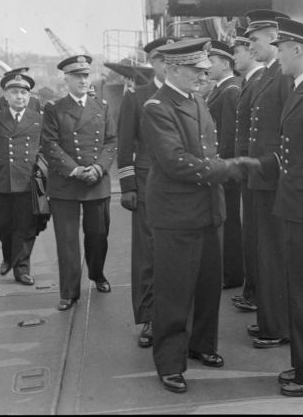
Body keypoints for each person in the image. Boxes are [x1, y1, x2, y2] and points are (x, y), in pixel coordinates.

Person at [141, 38, 245, 394]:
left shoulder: (196, 99)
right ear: (172, 69)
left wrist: (218, 170)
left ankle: (202, 344)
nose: (203, 76)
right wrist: (226, 169)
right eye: (195, 70)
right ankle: (170, 362)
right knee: (174, 291)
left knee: (207, 284)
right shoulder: (157, 107)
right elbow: (174, 161)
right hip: (177, 213)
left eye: (204, 70)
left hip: (208, 210)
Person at [249, 18, 303, 396]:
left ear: (298, 50)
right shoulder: (302, 90)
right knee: (299, 291)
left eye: (282, 48)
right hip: (295, 209)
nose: (278, 54)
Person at [117, 36, 180, 349]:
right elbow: (125, 144)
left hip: (180, 186)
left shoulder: (186, 93)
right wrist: (128, 186)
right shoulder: (137, 96)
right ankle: (150, 318)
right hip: (145, 182)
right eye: (160, 58)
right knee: (147, 253)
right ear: (153, 63)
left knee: (176, 251)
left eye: (172, 58)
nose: (167, 64)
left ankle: (177, 317)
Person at [41, 55, 117, 311]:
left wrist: (98, 168)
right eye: (77, 76)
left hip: (97, 181)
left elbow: (110, 141)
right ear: (67, 79)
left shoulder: (102, 106)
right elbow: (49, 144)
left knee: (98, 235)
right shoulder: (54, 108)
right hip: (66, 183)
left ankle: (97, 274)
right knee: (66, 241)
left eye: (86, 76)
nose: (83, 80)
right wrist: (75, 170)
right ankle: (69, 291)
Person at [244, 9, 293, 348]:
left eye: (255, 39)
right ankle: (269, 318)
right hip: (262, 178)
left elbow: (289, 132)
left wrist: (270, 165)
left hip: (274, 179)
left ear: (274, 37)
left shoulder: (284, 77)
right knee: (265, 253)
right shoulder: (265, 76)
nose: (251, 46)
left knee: (275, 255)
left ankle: (277, 326)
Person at [0, 72, 43, 285]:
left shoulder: (39, 119)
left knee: (26, 226)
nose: (19, 97)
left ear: (29, 96)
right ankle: (8, 255)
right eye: (14, 92)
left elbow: (47, 150)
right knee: (2, 224)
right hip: (2, 180)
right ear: (6, 95)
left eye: (24, 92)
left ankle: (21, 269)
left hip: (27, 180)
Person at [230, 26, 264, 312]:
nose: (235, 57)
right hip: (247, 170)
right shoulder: (248, 84)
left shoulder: (258, 83)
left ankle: (256, 291)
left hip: (256, 170)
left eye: (238, 50)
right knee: (250, 233)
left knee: (256, 234)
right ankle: (252, 289)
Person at [206, 40, 244, 289]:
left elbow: (229, 135)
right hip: (222, 167)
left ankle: (231, 275)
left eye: (211, 61)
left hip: (226, 168)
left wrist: (224, 167)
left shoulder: (230, 90)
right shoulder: (220, 89)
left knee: (229, 221)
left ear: (225, 63)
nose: (206, 66)